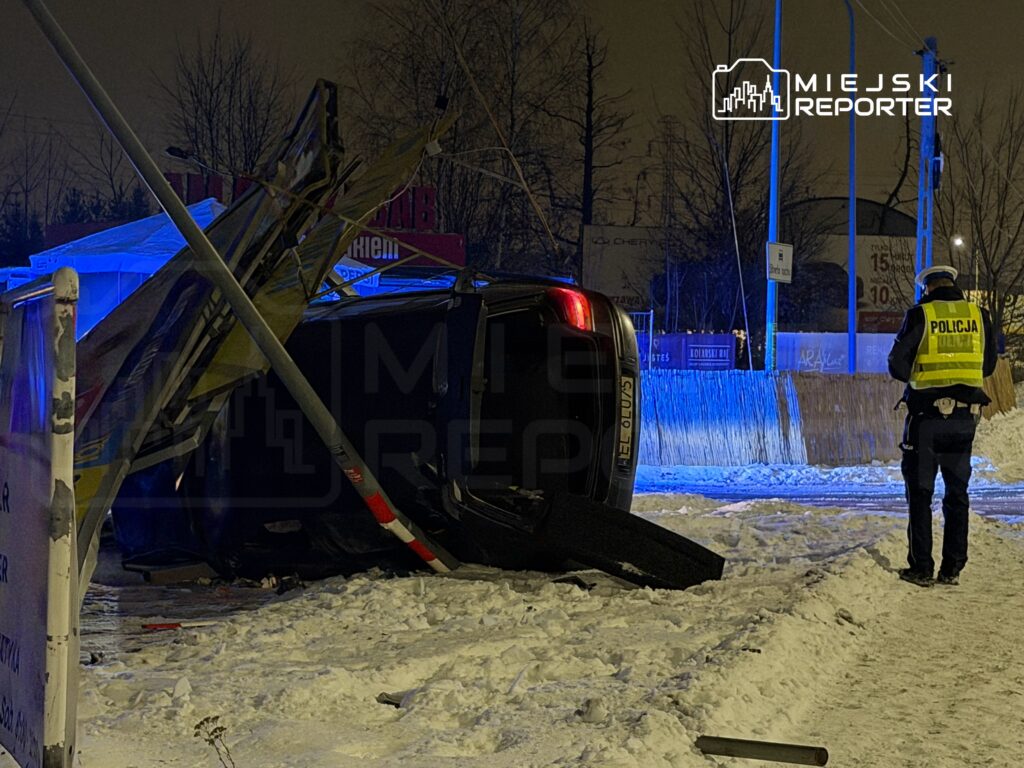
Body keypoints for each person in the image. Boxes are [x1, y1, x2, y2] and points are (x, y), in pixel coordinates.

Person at [887, 265, 998, 587]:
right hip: (965, 417)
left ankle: (922, 567)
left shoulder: (920, 314)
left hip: (926, 418)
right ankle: (952, 568)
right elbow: (989, 365)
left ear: (928, 288)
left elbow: (896, 363)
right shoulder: (980, 315)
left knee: (921, 492)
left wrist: (920, 375)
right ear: (953, 285)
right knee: (957, 492)